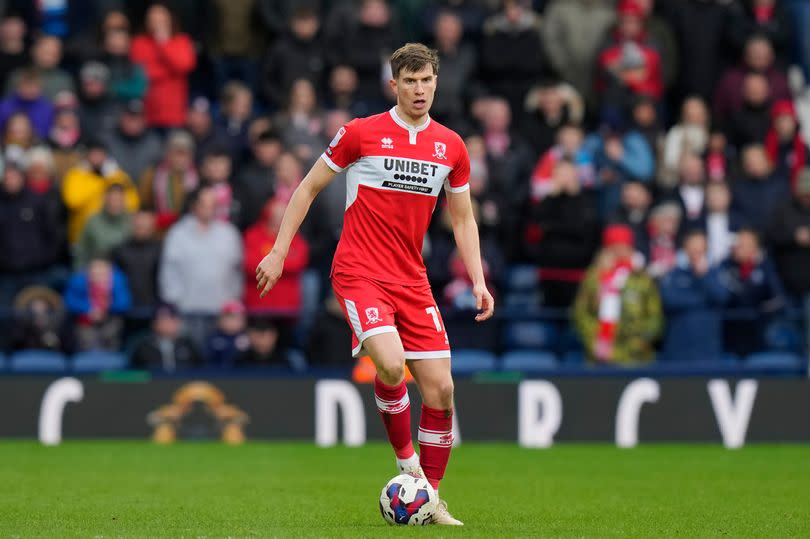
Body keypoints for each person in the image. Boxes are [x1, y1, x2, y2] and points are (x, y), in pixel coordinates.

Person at [254, 43, 494, 525]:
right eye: (410, 81)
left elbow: (463, 220)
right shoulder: (360, 134)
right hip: (359, 272)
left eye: (426, 80)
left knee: (442, 390)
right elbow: (308, 187)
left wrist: (479, 279)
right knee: (389, 363)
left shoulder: (451, 146)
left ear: (436, 82)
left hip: (412, 279)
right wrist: (279, 250)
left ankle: (429, 496)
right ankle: (407, 465)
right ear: (395, 86)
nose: (419, 89)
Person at [159, 186, 243, 348]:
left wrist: (233, 302)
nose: (209, 208)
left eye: (213, 204)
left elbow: (236, 271)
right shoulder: (178, 233)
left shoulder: (229, 234)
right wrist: (174, 302)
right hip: (187, 311)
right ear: (194, 205)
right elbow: (169, 271)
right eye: (205, 203)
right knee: (190, 358)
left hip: (222, 314)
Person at [573, 224, 662, 364]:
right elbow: (581, 313)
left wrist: (640, 341)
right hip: (600, 356)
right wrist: (594, 340)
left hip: (637, 357)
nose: (619, 251)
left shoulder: (641, 277)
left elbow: (654, 317)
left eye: (623, 245)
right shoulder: (595, 277)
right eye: (615, 246)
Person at [659, 230, 729, 361]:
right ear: (685, 249)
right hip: (678, 348)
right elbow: (670, 300)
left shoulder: (715, 273)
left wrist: (704, 276)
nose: (696, 250)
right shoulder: (674, 274)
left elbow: (721, 296)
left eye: (700, 246)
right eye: (693, 246)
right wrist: (704, 301)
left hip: (707, 349)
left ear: (706, 248)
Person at [716, 228, 785, 356]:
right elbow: (725, 296)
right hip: (730, 333)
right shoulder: (725, 266)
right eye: (737, 244)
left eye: (743, 245)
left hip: (759, 332)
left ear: (754, 248)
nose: (738, 247)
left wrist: (759, 310)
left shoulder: (765, 267)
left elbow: (779, 298)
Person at [130, 4, 196, 129]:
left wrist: (163, 44)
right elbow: (143, 73)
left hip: (174, 112)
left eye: (161, 21)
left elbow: (185, 65)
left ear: (170, 20)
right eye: (153, 20)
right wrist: (171, 72)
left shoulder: (181, 40)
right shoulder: (139, 42)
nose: (157, 24)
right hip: (147, 113)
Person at [61, 139, 139, 244]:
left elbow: (133, 204)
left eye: (100, 154)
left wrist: (112, 178)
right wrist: (100, 182)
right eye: (93, 153)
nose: (96, 157)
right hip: (82, 235)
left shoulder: (117, 175)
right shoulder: (76, 174)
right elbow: (72, 201)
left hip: (115, 234)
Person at [64, 257, 132, 352]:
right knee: (87, 340)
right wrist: (89, 310)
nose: (98, 274)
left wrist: (104, 309)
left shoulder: (118, 282)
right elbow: (70, 302)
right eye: (95, 270)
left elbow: (124, 303)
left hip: (110, 318)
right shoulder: (78, 282)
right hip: (85, 320)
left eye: (102, 271)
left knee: (113, 331)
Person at [73, 183, 133, 270]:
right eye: (112, 199)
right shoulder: (93, 221)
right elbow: (81, 250)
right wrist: (80, 272)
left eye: (118, 200)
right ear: (105, 199)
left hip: (124, 271)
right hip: (96, 271)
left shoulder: (130, 221)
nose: (115, 203)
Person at [112, 210, 163, 311]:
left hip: (154, 307)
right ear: (132, 225)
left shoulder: (161, 250)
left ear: (153, 227)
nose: (142, 230)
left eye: (146, 227)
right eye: (139, 226)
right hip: (125, 308)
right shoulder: (120, 250)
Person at [131, 302, 203, 371]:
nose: (167, 323)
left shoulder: (188, 344)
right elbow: (134, 374)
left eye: (171, 318)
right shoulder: (144, 347)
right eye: (162, 319)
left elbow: (203, 370)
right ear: (154, 324)